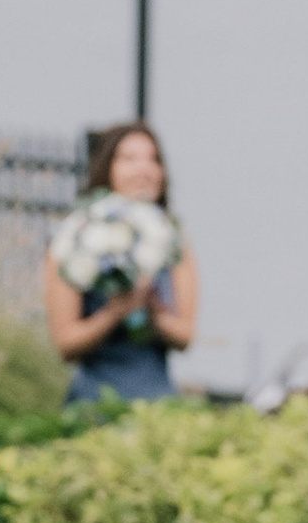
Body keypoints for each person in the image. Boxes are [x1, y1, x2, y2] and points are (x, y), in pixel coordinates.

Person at [43, 121, 199, 405]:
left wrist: (152, 312)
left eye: (153, 159)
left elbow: (185, 336)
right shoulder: (73, 239)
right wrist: (116, 312)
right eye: (129, 159)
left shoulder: (174, 239)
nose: (144, 169)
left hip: (157, 399)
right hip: (94, 400)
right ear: (107, 169)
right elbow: (66, 345)